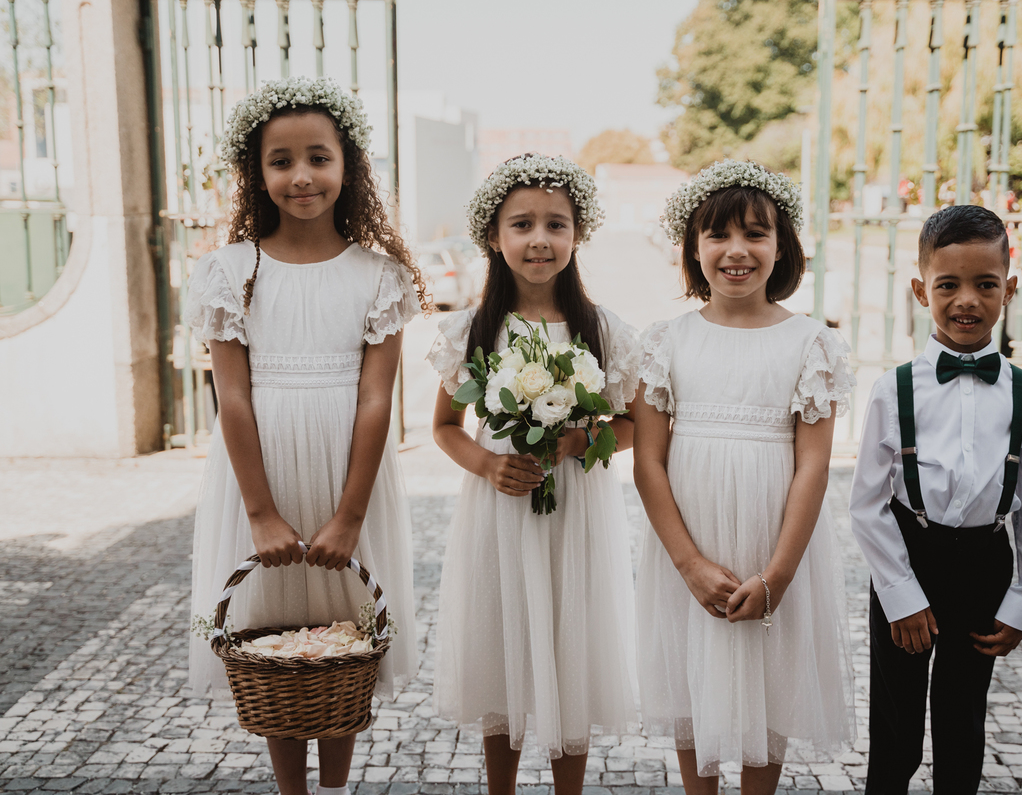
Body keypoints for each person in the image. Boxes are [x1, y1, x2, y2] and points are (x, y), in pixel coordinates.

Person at [185, 76, 426, 795]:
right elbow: (231, 397)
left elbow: (378, 401)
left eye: (318, 157)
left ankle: (336, 789)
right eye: (280, 161)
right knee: (276, 638)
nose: (301, 176)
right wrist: (258, 511)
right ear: (256, 175)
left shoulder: (378, 276)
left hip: (349, 477)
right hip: (261, 476)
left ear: (347, 165)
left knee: (342, 635)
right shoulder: (230, 272)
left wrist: (351, 515)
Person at [633, 160, 856, 795]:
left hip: (773, 542)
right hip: (688, 543)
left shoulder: (812, 343)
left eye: (756, 234)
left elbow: (813, 463)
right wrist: (688, 564)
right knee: (691, 678)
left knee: (768, 682)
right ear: (692, 248)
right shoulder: (665, 342)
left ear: (781, 245)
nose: (737, 251)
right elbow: (648, 460)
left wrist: (778, 573)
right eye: (718, 235)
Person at [427, 154, 641, 795]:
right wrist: (490, 463)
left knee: (568, 651)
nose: (540, 240)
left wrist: (580, 439)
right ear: (495, 236)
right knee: (501, 647)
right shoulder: (473, 330)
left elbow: (632, 427)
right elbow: (444, 427)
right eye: (522, 225)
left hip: (575, 512)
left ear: (578, 235)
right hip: (499, 510)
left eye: (557, 224)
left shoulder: (604, 332)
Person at [849, 204, 1022, 794]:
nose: (967, 300)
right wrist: (899, 594)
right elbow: (867, 503)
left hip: (985, 564)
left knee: (963, 720)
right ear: (921, 290)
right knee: (897, 721)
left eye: (985, 285)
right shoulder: (895, 389)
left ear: (1008, 289)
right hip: (909, 556)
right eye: (948, 285)